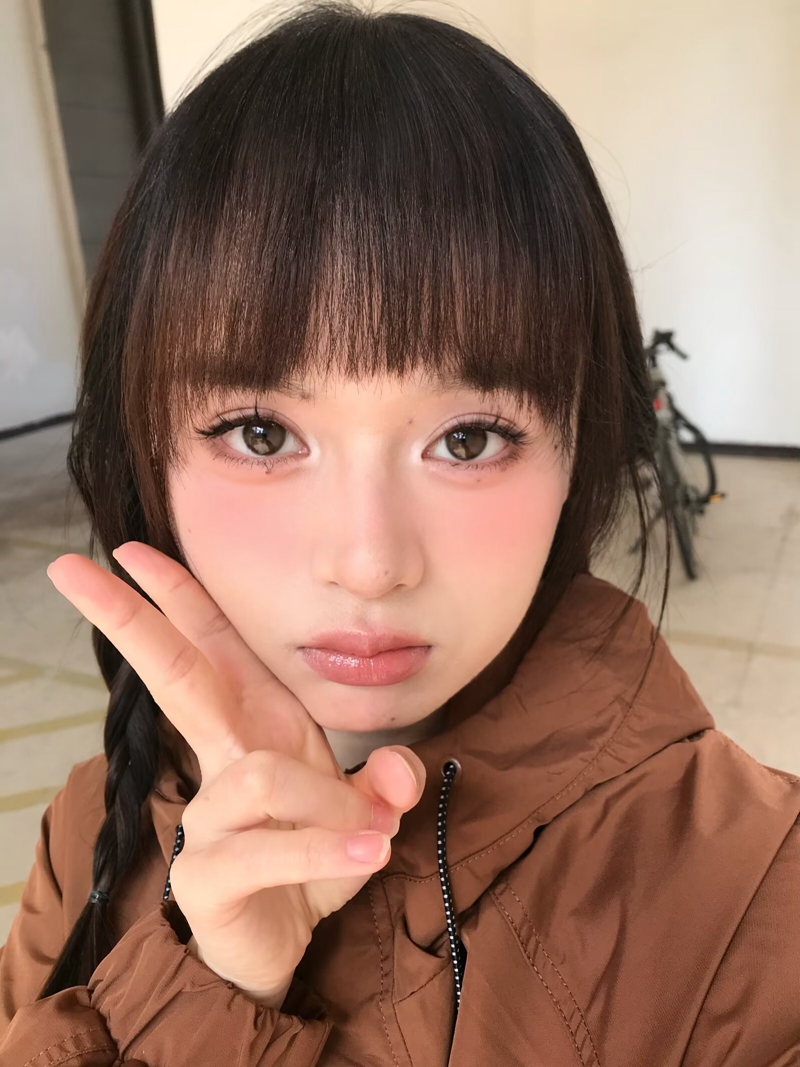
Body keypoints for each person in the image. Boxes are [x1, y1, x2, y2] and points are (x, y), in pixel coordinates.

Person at [1, 2, 798, 1064]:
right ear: (147, 448)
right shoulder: (90, 829)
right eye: (260, 431)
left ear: (579, 448)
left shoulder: (750, 900)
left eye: (468, 438)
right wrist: (209, 990)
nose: (370, 562)